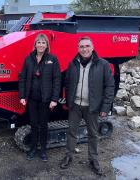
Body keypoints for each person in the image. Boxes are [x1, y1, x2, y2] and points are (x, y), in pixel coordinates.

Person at [60, 37, 114, 175]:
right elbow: (68, 83)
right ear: (78, 48)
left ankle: (93, 160)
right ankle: (69, 156)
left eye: (87, 46)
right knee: (71, 132)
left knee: (93, 134)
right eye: (82, 46)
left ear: (92, 47)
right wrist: (67, 101)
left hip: (93, 107)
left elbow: (109, 86)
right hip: (75, 105)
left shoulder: (103, 64)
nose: (85, 49)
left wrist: (105, 108)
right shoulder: (73, 64)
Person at [19, 34, 61, 162]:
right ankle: (33, 149)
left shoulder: (52, 59)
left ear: (47, 45)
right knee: (33, 124)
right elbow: (23, 78)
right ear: (35, 44)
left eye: (43, 42)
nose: (41, 45)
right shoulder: (29, 59)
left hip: (46, 100)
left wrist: (54, 99)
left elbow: (57, 80)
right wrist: (22, 96)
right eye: (39, 42)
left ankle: (43, 150)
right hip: (31, 99)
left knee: (43, 125)